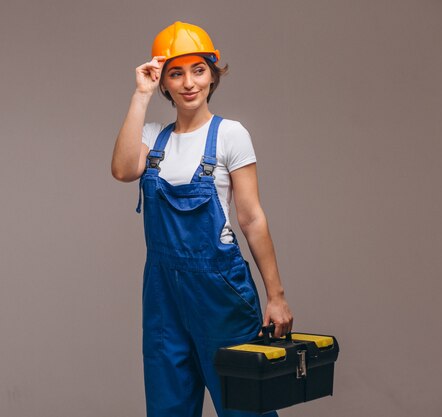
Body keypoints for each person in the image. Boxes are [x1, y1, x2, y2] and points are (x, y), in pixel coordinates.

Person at [111, 21, 293, 417]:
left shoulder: (231, 135)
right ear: (164, 83)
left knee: (245, 407)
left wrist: (276, 297)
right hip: (162, 293)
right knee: (168, 406)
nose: (189, 82)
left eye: (198, 70)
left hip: (220, 291)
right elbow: (124, 170)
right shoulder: (154, 136)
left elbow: (252, 218)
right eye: (176, 73)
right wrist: (140, 95)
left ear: (212, 74)